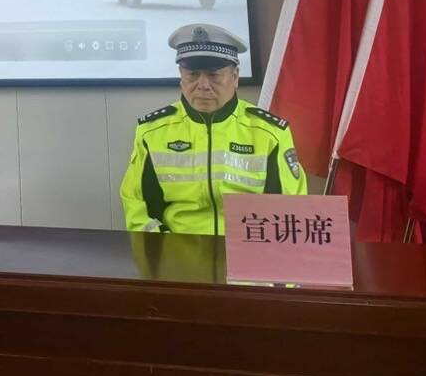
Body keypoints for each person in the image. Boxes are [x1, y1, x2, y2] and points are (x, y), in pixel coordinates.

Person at [120, 24, 305, 235]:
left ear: (235, 77)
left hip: (249, 246)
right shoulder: (152, 132)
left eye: (214, 75)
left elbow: (291, 208)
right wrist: (164, 247)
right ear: (181, 76)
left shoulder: (269, 133)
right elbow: (137, 205)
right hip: (176, 247)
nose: (203, 85)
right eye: (192, 74)